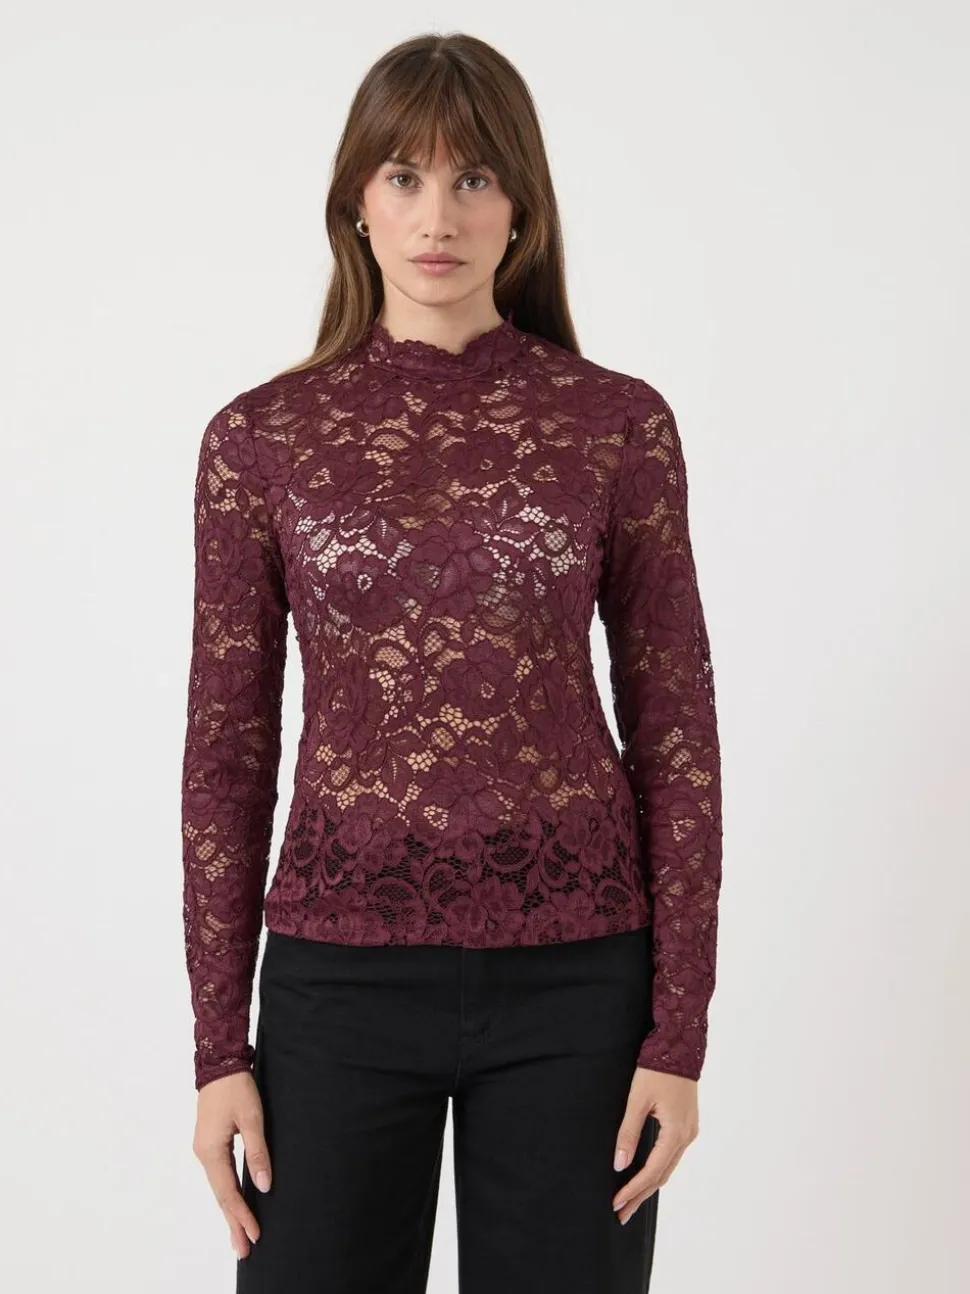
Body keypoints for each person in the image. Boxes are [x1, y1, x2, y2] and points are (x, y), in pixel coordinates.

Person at [181, 30, 723, 1294]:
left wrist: (678, 1032)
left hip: (578, 988)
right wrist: (217, 1048)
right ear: (355, 203)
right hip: (333, 985)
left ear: (521, 205)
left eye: (474, 177)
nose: (438, 216)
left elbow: (677, 733)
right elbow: (226, 754)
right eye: (405, 176)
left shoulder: (616, 425)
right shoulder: (259, 440)